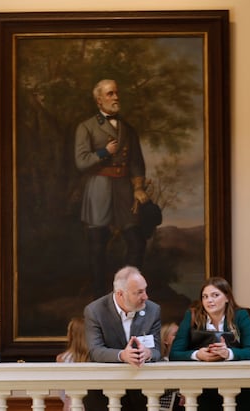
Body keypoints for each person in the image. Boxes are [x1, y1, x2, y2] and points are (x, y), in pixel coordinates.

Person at [75, 79, 150, 298]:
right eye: (110, 94)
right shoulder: (86, 127)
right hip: (99, 188)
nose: (115, 97)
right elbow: (81, 161)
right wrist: (104, 152)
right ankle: (100, 294)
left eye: (116, 93)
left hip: (124, 190)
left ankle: (131, 292)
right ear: (99, 99)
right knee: (97, 243)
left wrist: (138, 187)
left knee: (136, 240)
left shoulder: (127, 128)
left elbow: (136, 161)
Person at [169, 276, 250, 411]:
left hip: (239, 388)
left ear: (227, 297)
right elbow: (174, 354)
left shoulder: (241, 316)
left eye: (215, 295)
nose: (209, 300)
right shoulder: (192, 316)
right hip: (203, 389)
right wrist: (198, 355)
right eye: (205, 297)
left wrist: (228, 353)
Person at [83, 266, 161, 411]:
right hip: (105, 393)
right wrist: (122, 355)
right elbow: (96, 351)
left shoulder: (153, 310)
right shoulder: (95, 311)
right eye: (139, 292)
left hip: (142, 393)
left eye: (145, 290)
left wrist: (148, 353)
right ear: (120, 294)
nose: (146, 296)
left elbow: (157, 351)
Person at [56, 317, 89, 411]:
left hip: (70, 403)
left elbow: (62, 390)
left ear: (71, 335)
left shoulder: (62, 358)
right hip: (91, 403)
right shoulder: (94, 357)